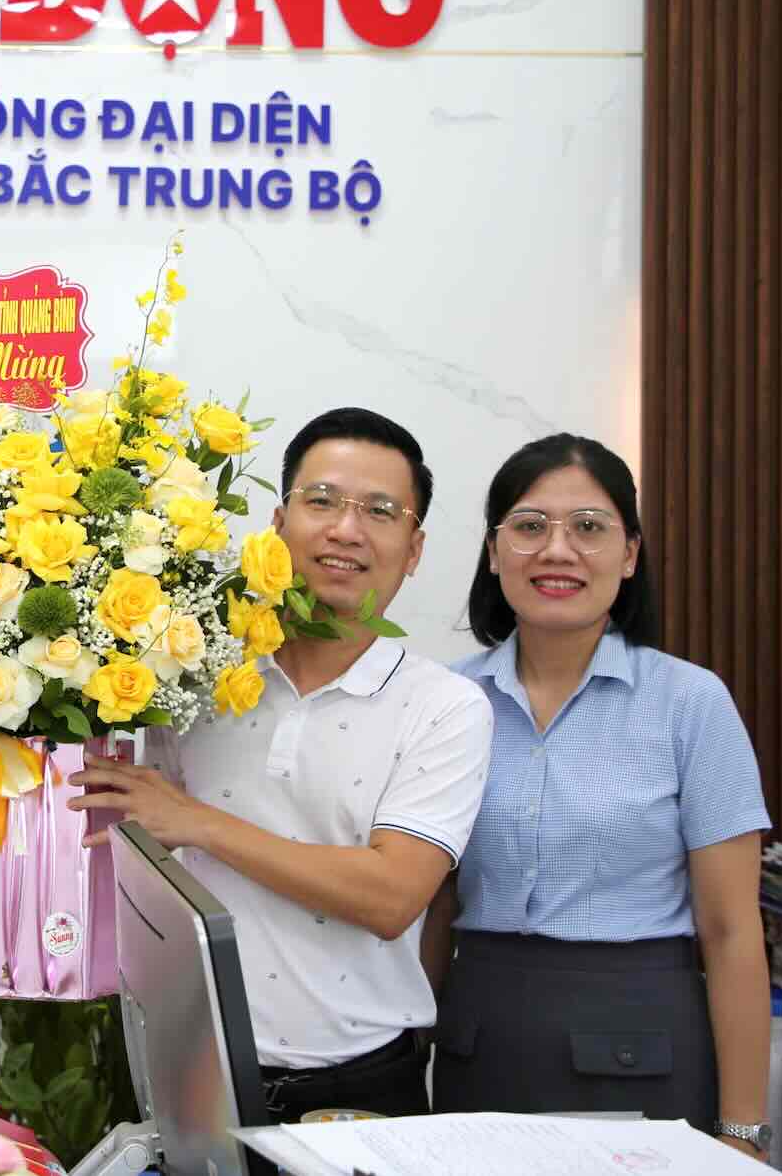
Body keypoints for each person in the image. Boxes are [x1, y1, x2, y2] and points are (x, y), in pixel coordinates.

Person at [72, 407, 493, 1121]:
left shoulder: (444, 706)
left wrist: (200, 823)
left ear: (414, 548)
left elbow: (392, 896)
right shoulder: (187, 668)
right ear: (277, 522)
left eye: (380, 511)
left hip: (358, 1090)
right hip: (184, 1073)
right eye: (321, 500)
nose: (346, 530)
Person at [424, 433, 773, 1160]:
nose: (558, 550)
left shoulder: (690, 702)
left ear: (630, 553)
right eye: (529, 526)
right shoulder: (445, 700)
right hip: (477, 1045)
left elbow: (732, 931)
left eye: (589, 526)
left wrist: (744, 1132)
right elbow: (434, 905)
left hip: (645, 1049)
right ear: (494, 552)